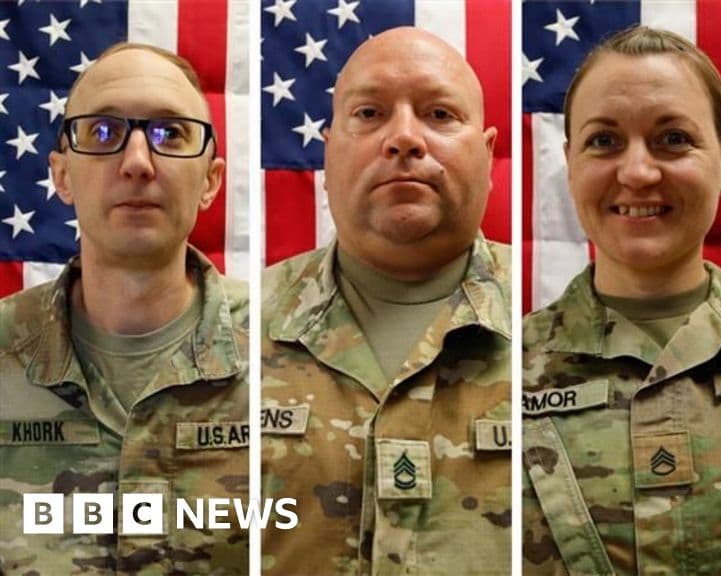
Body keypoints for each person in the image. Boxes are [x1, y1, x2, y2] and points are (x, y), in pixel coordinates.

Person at [260, 27, 511, 575]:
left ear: (488, 154)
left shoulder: (557, 326)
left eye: (439, 115)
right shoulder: (226, 332)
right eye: (370, 114)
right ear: (328, 152)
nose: (404, 138)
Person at [522, 26, 721, 575]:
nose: (636, 172)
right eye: (603, 142)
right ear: (570, 163)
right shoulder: (498, 373)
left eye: (673, 138)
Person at [0, 43, 249, 574]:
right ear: (62, 176)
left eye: (170, 134)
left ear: (210, 181)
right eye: (102, 132)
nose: (137, 162)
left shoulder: (292, 354)